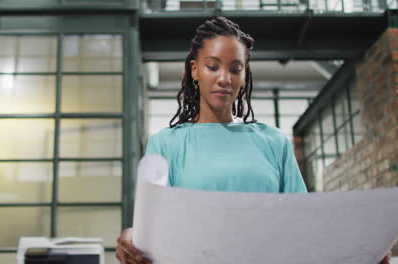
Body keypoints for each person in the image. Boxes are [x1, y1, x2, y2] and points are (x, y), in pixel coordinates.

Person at [115, 16, 392, 264]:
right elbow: (156, 233)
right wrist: (135, 238)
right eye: (213, 67)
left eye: (235, 69)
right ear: (195, 70)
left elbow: (304, 231)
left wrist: (359, 253)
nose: (225, 78)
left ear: (244, 76)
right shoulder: (165, 144)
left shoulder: (273, 143)